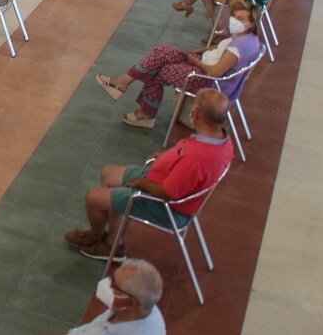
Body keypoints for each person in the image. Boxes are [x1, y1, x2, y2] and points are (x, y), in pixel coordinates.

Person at [65, 88, 234, 259]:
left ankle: (99, 239)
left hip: (167, 207)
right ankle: (114, 239)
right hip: (164, 175)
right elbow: (187, 161)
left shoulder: (197, 158)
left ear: (196, 114)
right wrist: (169, 156)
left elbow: (167, 193)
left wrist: (141, 183)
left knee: (92, 198)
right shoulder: (220, 138)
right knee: (108, 174)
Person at [98, 0, 262, 129]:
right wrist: (202, 50)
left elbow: (215, 73)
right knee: (162, 51)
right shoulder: (250, 39)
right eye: (234, 16)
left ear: (252, 23)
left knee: (158, 72)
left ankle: (144, 111)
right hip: (203, 63)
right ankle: (124, 83)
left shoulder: (238, 48)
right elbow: (223, 48)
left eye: (240, 18)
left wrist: (193, 61)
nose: (234, 20)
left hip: (206, 80)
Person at [67, 259, 166, 335]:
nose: (107, 283)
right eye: (111, 278)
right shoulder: (145, 305)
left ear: (131, 303)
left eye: (114, 286)